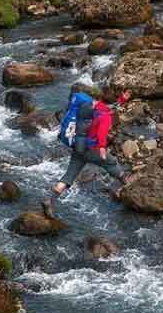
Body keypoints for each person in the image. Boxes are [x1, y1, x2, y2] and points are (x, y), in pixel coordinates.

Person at [42, 86, 131, 218]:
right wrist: (101, 148)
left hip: (78, 147)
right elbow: (101, 133)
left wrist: (122, 100)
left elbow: (109, 107)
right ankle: (128, 185)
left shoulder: (86, 107)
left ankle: (50, 200)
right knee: (111, 163)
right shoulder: (104, 115)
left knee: (69, 175)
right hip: (91, 149)